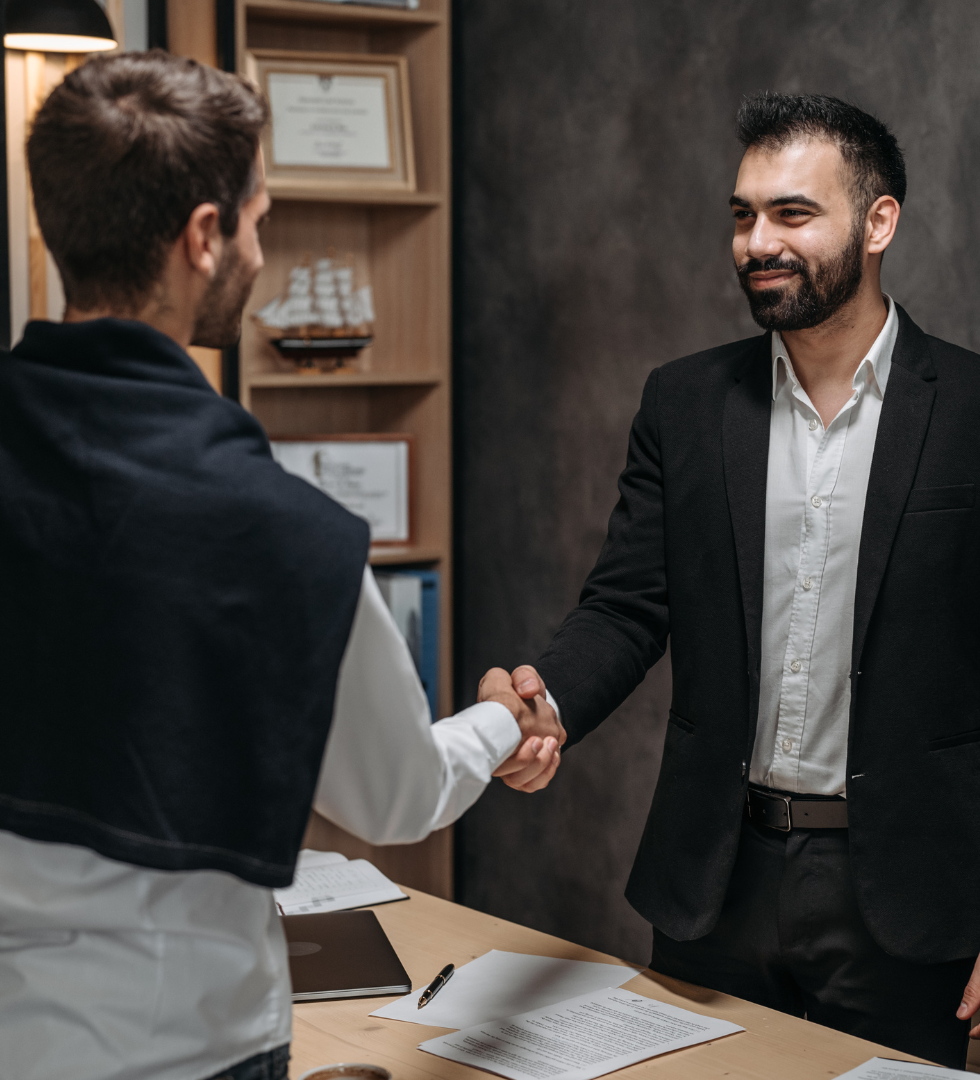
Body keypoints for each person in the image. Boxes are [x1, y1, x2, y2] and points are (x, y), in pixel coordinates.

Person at [0, 51, 563, 1080]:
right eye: (258, 219)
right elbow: (398, 796)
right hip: (183, 1053)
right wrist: (501, 719)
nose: (262, 248)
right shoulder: (281, 531)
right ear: (204, 239)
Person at [496, 92, 980, 1069]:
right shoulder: (683, 402)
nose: (757, 241)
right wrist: (542, 701)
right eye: (743, 215)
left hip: (905, 897)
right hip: (711, 883)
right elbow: (627, 606)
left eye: (792, 213)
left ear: (879, 221)